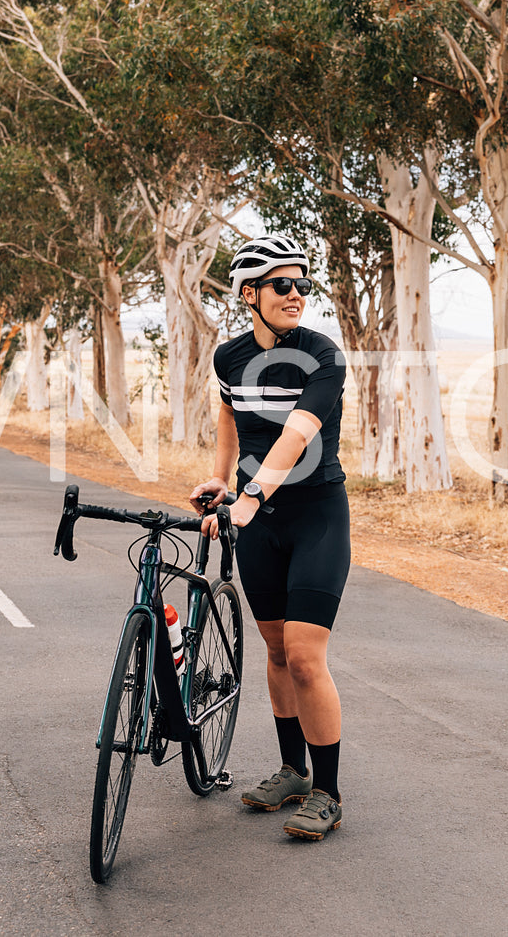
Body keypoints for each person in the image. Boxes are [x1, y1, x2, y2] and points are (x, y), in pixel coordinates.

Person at [189, 234, 350, 842]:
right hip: (259, 523)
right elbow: (231, 418)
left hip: (315, 517)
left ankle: (328, 794)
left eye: (303, 285)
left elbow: (298, 435)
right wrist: (223, 480)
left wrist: (251, 499)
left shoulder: (323, 357)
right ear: (249, 294)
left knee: (307, 658)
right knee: (277, 652)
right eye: (283, 285)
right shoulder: (229, 359)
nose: (296, 295)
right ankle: (292, 771)